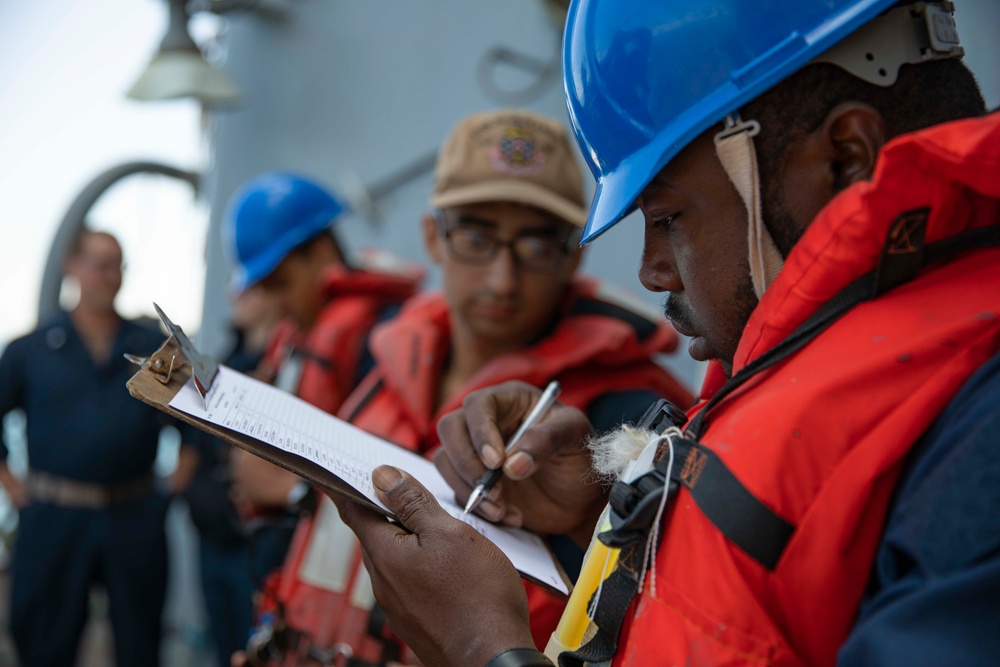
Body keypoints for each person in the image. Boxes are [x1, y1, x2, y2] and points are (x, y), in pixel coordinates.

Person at [325, 2, 1000, 666]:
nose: (649, 271)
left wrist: (482, 649)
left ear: (846, 158)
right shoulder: (848, 354)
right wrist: (599, 507)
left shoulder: (980, 438)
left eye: (669, 215)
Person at [243, 109, 694, 665]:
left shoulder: (632, 427)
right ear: (433, 237)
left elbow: (676, 610)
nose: (502, 279)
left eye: (534, 246)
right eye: (477, 238)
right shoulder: (376, 359)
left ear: (574, 253)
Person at [0, 230, 176, 667]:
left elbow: (192, 422)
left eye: (117, 265)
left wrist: (170, 491)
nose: (109, 276)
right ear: (72, 267)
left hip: (134, 514)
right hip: (54, 517)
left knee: (141, 644)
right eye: (99, 263)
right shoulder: (32, 348)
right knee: (44, 642)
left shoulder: (153, 348)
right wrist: (13, 487)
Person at [222, 171, 422, 550]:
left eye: (281, 284)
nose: (276, 304)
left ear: (323, 254)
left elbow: (403, 477)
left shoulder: (384, 337)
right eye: (265, 290)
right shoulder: (299, 335)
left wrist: (287, 491)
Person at [178, 285, 283, 667]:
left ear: (278, 294)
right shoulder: (230, 354)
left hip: (257, 542)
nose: (235, 295)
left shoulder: (289, 363)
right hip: (212, 534)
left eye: (250, 288)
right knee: (223, 647)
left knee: (254, 647)